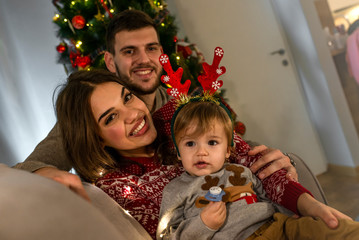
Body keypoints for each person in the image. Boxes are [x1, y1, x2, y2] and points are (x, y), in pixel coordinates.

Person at [13, 9, 297, 199]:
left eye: (151, 48)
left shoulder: (180, 102)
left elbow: (226, 148)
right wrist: (47, 173)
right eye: (129, 51)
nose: (144, 60)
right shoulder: (84, 121)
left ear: (162, 53)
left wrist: (274, 164)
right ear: (110, 62)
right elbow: (26, 171)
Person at [54, 69, 350, 239]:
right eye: (111, 118)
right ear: (96, 138)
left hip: (279, 225)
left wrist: (309, 205)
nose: (132, 114)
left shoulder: (178, 118)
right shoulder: (117, 189)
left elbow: (255, 165)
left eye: (128, 98)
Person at [156, 99, 359, 240]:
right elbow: (166, 235)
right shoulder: (175, 190)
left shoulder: (241, 171)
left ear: (228, 150)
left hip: (280, 227)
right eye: (190, 144)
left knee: (342, 230)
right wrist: (202, 224)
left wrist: (289, 214)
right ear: (178, 153)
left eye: (212, 142)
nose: (201, 152)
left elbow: (267, 198)